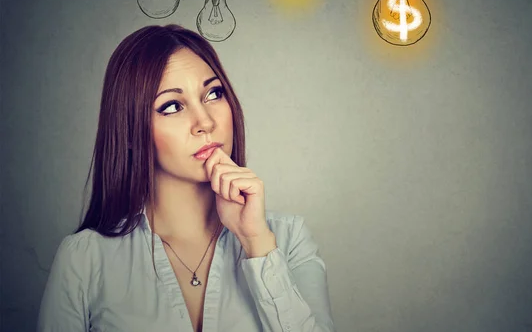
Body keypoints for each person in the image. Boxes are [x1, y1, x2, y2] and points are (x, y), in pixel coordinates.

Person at [36, 24, 336, 332]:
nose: (205, 122)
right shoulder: (84, 259)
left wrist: (255, 242)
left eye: (213, 93)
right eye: (172, 106)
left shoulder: (287, 239)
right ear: (129, 129)